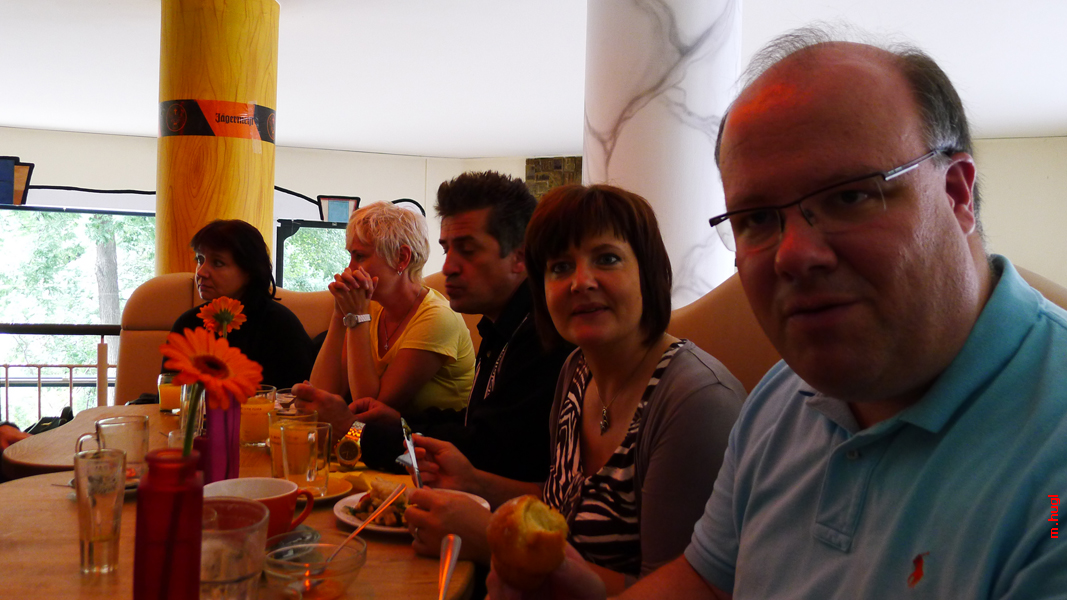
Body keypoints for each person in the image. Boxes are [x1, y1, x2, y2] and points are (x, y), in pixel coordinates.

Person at [493, 26, 1067, 600]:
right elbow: (704, 583)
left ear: (957, 194)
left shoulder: (1051, 462)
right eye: (757, 219)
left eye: (849, 195)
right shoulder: (781, 398)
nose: (793, 255)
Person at [412, 184, 745, 594]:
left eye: (607, 259)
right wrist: (474, 482)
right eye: (560, 267)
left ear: (649, 272)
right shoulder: (577, 370)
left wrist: (491, 542)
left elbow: (679, 590)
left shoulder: (694, 402)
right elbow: (561, 505)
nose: (580, 282)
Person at [307, 201, 474, 416]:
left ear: (401, 258)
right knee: (307, 429)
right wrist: (340, 314)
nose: (349, 268)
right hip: (379, 432)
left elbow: (369, 409)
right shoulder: (371, 307)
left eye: (360, 256)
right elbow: (321, 392)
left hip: (426, 434)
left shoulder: (437, 318)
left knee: (341, 433)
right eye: (350, 256)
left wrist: (356, 317)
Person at [168, 219, 314, 389]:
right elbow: (169, 393)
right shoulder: (189, 324)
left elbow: (295, 397)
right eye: (200, 259)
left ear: (249, 271)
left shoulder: (280, 326)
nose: (201, 272)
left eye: (217, 263)